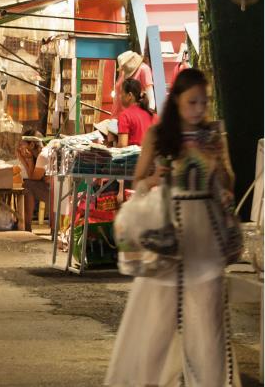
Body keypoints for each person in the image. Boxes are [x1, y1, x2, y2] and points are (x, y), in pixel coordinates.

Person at [106, 68, 242, 386]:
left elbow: (229, 180)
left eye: (204, 102)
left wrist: (219, 171)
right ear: (177, 100)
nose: (199, 109)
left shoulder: (213, 135)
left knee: (209, 326)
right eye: (192, 102)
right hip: (166, 235)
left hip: (206, 237)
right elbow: (139, 180)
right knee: (156, 326)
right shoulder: (158, 134)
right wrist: (156, 179)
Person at [15, 129, 49, 233]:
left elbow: (33, 177)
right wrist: (28, 160)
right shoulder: (40, 155)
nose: (20, 148)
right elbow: (33, 177)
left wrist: (25, 160)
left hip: (55, 194)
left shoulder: (43, 155)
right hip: (50, 189)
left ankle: (26, 226)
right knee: (27, 184)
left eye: (23, 145)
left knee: (27, 186)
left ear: (32, 145)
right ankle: (26, 225)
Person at [113, 50, 155, 117]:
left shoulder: (144, 69)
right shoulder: (124, 71)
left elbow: (151, 98)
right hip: (120, 115)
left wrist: (147, 117)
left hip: (135, 116)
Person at [117, 78, 156, 148]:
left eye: (121, 93)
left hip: (134, 158)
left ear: (129, 95)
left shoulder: (125, 115)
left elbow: (122, 145)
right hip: (153, 157)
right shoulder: (153, 115)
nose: (120, 96)